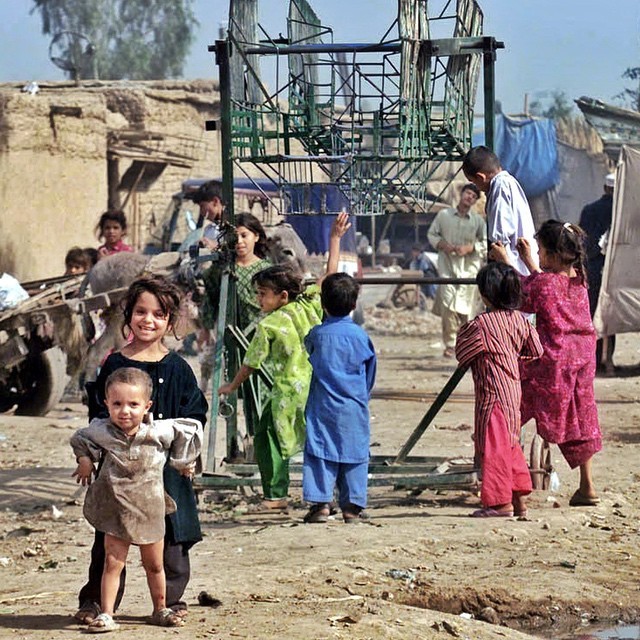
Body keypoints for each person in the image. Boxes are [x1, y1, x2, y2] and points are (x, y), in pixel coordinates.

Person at [75, 275, 208, 625]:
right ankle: (96, 603)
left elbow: (194, 415)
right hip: (119, 469)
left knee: (172, 535)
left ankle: (170, 602)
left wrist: (186, 457)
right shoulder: (115, 364)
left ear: (170, 320)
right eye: (141, 312)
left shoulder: (178, 368)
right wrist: (92, 453)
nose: (148, 320)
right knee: (109, 537)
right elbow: (97, 416)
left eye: (158, 314)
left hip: (165, 470)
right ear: (129, 315)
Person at [217, 213, 351, 510]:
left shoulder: (270, 325)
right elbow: (327, 278)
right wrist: (335, 239)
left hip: (286, 393)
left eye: (262, 294)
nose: (259, 299)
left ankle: (275, 495)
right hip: (316, 389)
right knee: (315, 441)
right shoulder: (309, 305)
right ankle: (327, 493)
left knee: (270, 440)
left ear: (282, 295)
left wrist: (232, 385)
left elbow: (251, 362)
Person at [71, 367, 203, 632]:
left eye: (133, 404)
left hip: (150, 509)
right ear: (106, 403)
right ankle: (107, 614)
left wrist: (184, 463)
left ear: (147, 406)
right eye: (117, 403)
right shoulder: (102, 431)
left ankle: (160, 608)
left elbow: (189, 431)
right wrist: (85, 460)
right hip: (116, 510)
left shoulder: (157, 432)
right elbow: (80, 438)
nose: (125, 411)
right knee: (112, 563)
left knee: (154, 565)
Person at [491, 220, 603, 507]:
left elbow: (521, 295)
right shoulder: (579, 277)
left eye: (540, 251)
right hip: (583, 356)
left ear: (554, 255)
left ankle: (506, 483)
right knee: (579, 417)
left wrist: (506, 262)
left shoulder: (544, 283)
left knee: (512, 406)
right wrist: (530, 263)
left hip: (553, 360)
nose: (537, 255)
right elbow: (544, 285)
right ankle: (587, 486)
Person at [455, 262, 543, 518]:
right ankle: (518, 501)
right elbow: (535, 350)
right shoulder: (519, 321)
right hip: (512, 393)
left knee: (494, 449)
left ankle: (498, 503)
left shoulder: (482, 325)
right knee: (510, 445)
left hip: (492, 395)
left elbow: (462, 353)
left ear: (484, 295)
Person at [302, 273, 377, 524]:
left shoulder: (317, 335)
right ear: (354, 304)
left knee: (320, 451)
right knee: (355, 453)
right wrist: (361, 395)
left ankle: (321, 504)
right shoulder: (360, 336)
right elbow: (370, 370)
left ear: (323, 304)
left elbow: (308, 352)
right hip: (353, 404)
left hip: (322, 403)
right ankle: (352, 507)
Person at [199, 213, 272, 393]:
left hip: (260, 334)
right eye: (235, 236)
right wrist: (206, 328)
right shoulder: (223, 270)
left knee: (260, 387)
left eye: (244, 235)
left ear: (256, 236)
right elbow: (210, 296)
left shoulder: (267, 270)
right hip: (233, 338)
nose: (239, 241)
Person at [428, 183, 486, 357]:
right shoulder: (443, 215)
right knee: (447, 306)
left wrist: (471, 248)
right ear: (461, 194)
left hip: (469, 270)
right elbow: (432, 234)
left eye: (474, 196)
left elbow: (486, 243)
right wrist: (442, 244)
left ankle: (466, 344)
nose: (470, 197)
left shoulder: (478, 221)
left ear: (475, 201)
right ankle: (450, 344)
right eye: (468, 193)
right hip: (447, 268)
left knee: (467, 309)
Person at [462, 145, 538, 274]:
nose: (477, 187)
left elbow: (500, 238)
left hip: (515, 270)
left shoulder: (501, 187)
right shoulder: (506, 183)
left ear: (481, 177)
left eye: (473, 182)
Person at [579, 173, 616, 369]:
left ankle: (593, 361)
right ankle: (608, 359)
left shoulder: (589, 210)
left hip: (592, 266)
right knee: (611, 314)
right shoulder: (621, 212)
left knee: (592, 313)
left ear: (604, 188)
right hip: (615, 269)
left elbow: (582, 242)